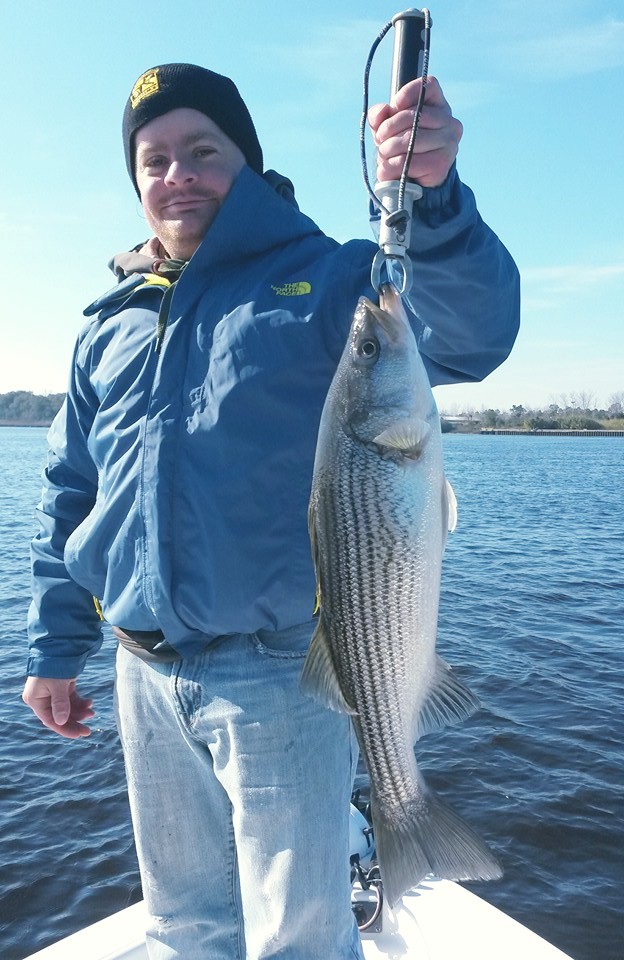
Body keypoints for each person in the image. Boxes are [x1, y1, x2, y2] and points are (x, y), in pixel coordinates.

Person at [22, 62, 520, 960]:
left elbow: (470, 332)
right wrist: (57, 651)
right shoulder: (109, 322)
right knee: (183, 924)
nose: (177, 175)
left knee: (296, 933)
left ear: (246, 162)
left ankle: (403, 821)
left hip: (282, 674)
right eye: (154, 160)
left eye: (201, 151)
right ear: (135, 182)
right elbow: (73, 494)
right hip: (142, 672)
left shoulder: (331, 281)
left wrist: (434, 201)